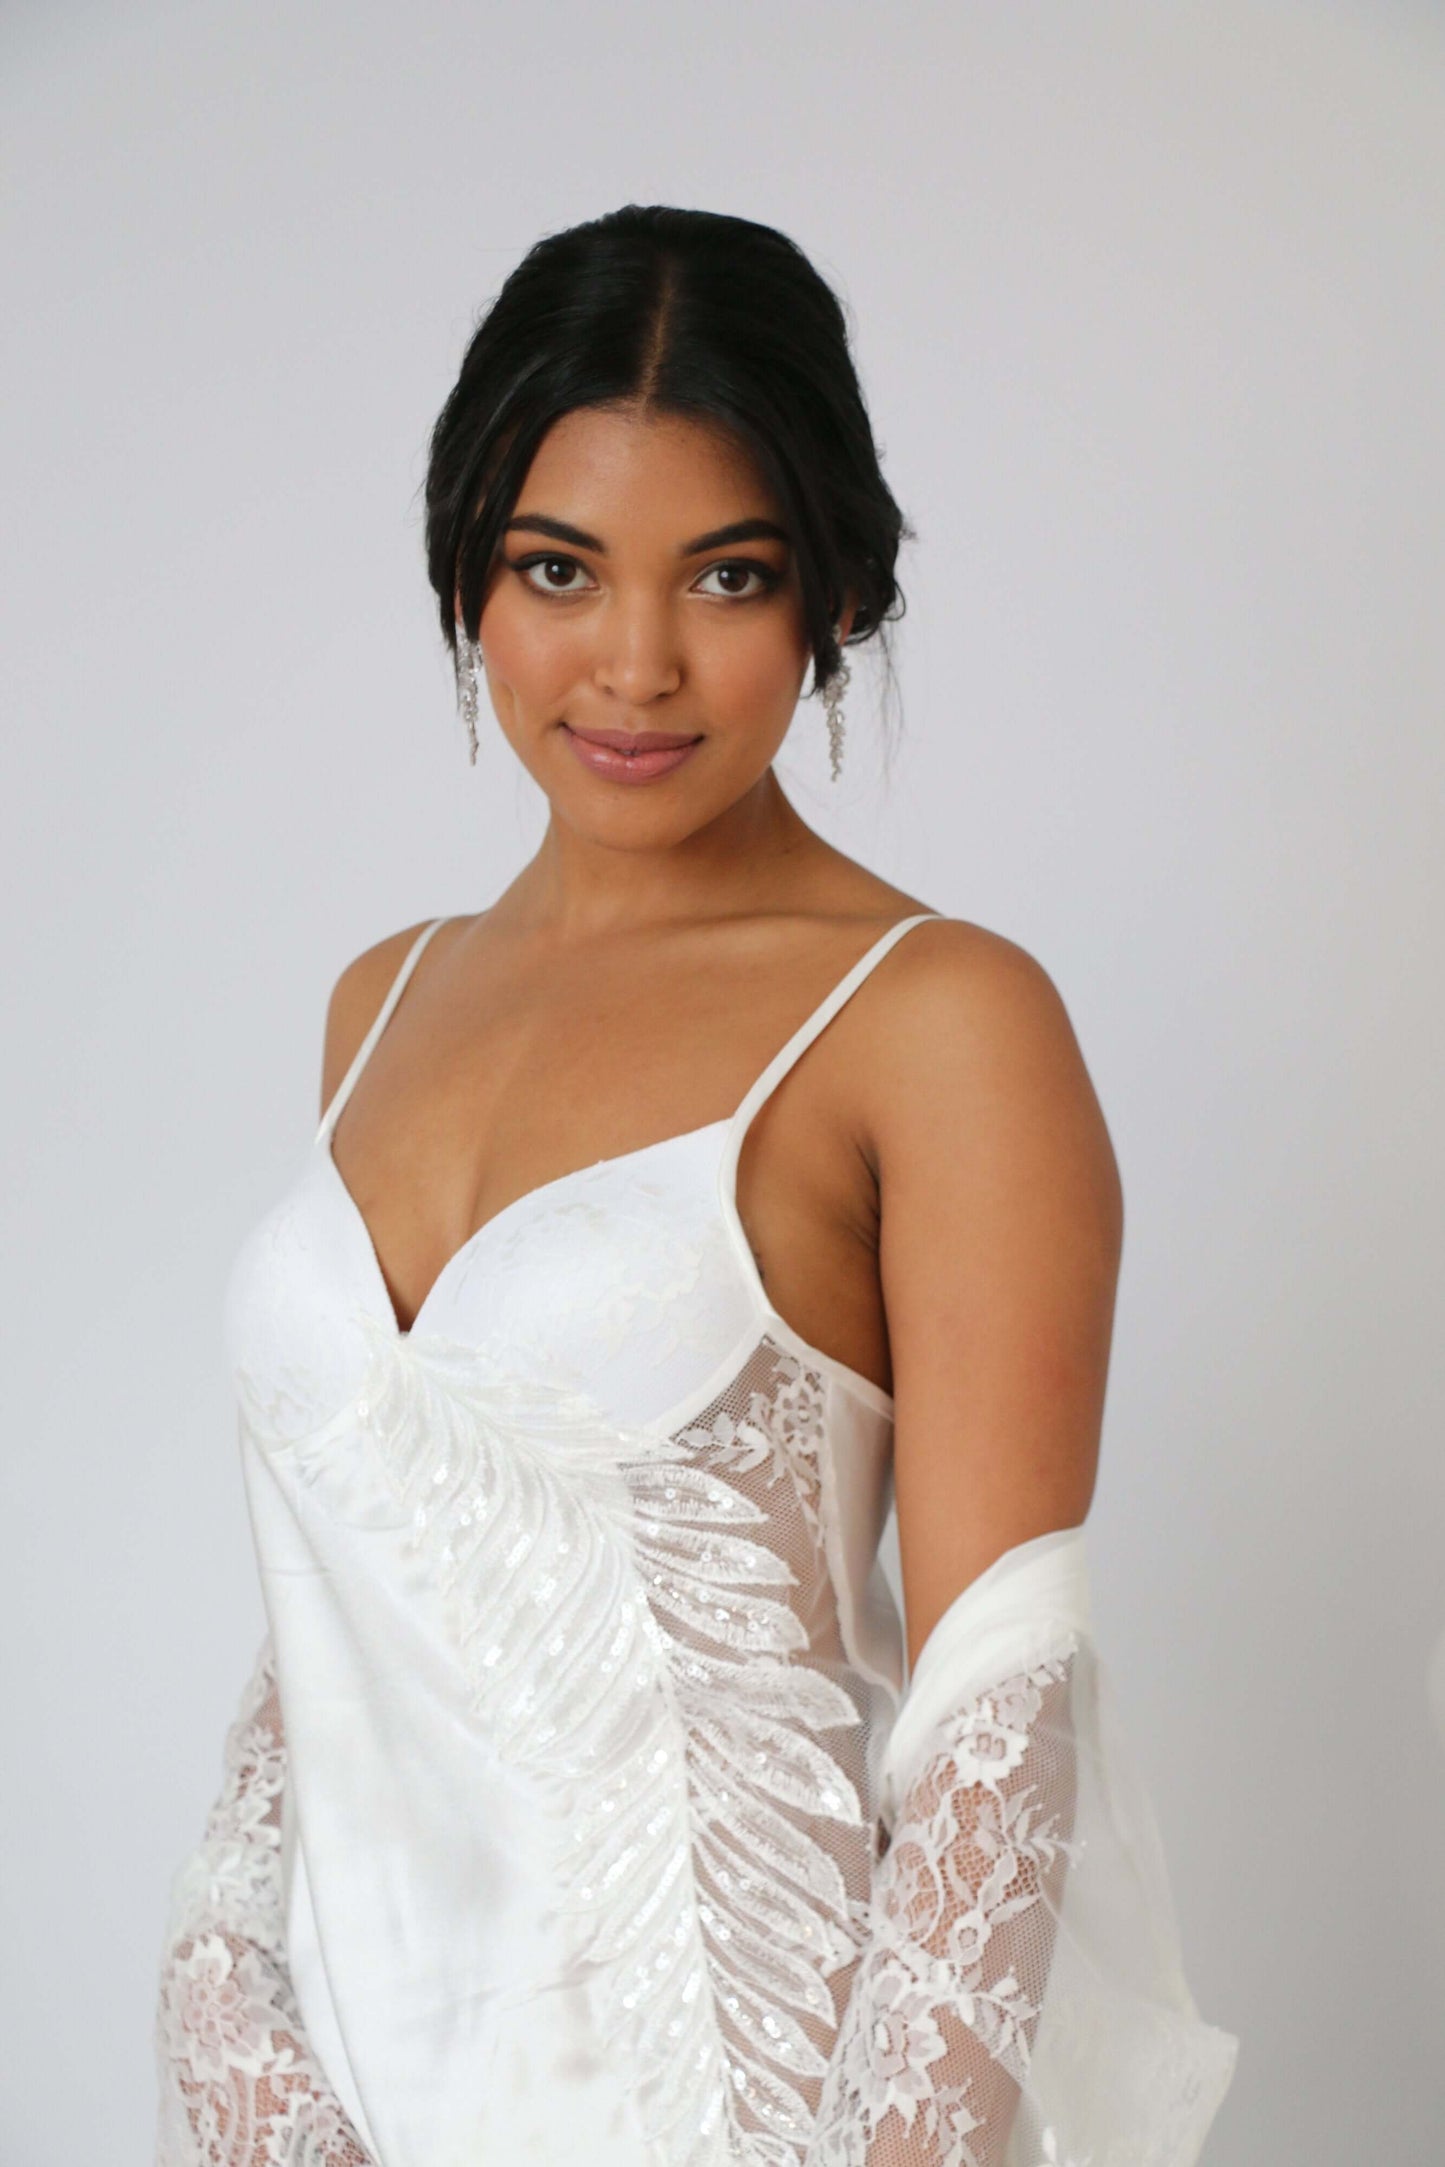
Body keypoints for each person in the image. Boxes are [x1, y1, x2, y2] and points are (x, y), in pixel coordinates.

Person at [153, 204, 1237, 2167]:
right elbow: (343, 1604)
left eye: (727, 576)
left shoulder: (936, 1020)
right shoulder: (377, 1004)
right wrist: (226, 2006)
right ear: (467, 577)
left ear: (837, 593)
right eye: (556, 568)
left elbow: (993, 1730)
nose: (636, 664)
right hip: (337, 2105)